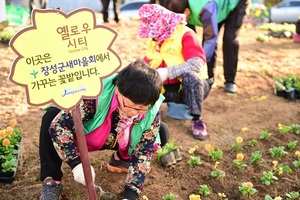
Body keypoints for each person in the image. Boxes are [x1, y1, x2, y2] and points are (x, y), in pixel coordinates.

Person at [39, 59, 170, 200]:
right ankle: (52, 180)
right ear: (118, 90)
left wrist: (130, 195)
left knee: (160, 132)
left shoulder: (150, 111)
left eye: (140, 108)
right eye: (129, 106)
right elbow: (59, 126)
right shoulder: (95, 94)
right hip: (86, 134)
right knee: (51, 118)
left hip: (117, 139)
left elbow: (144, 153)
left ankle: (121, 159)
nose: (133, 112)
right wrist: (76, 164)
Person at [138, 4, 212, 141]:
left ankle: (197, 120)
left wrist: (167, 72)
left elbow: (196, 63)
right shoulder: (155, 40)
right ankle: (150, 118)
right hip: (169, 89)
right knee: (142, 78)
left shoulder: (185, 34)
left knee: (191, 77)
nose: (152, 36)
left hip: (192, 88)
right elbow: (147, 60)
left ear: (163, 26)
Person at [160, 0, 249, 93]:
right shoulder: (181, 9)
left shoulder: (206, 8)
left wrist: (198, 65)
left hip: (235, 3)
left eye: (178, 19)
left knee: (228, 39)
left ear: (186, 12)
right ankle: (208, 78)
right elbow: (189, 41)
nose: (177, 22)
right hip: (216, 7)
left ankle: (230, 80)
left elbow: (210, 38)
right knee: (206, 40)